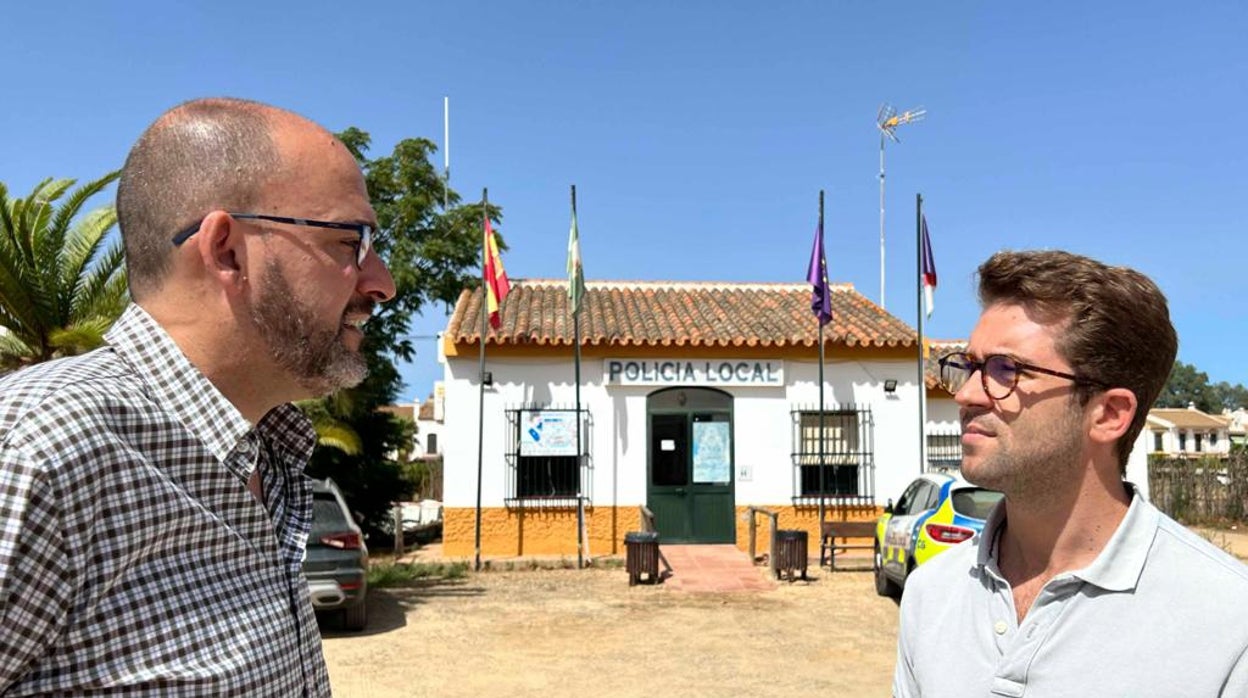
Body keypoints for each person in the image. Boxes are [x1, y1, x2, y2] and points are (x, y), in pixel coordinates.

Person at [0, 98, 395, 695]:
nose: (382, 283)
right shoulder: (41, 448)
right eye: (351, 243)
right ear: (227, 250)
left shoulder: (268, 457)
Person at [895, 250, 1248, 697]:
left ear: (1109, 415)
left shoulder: (1229, 624)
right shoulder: (932, 592)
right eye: (969, 366)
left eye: (1006, 370)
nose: (966, 394)